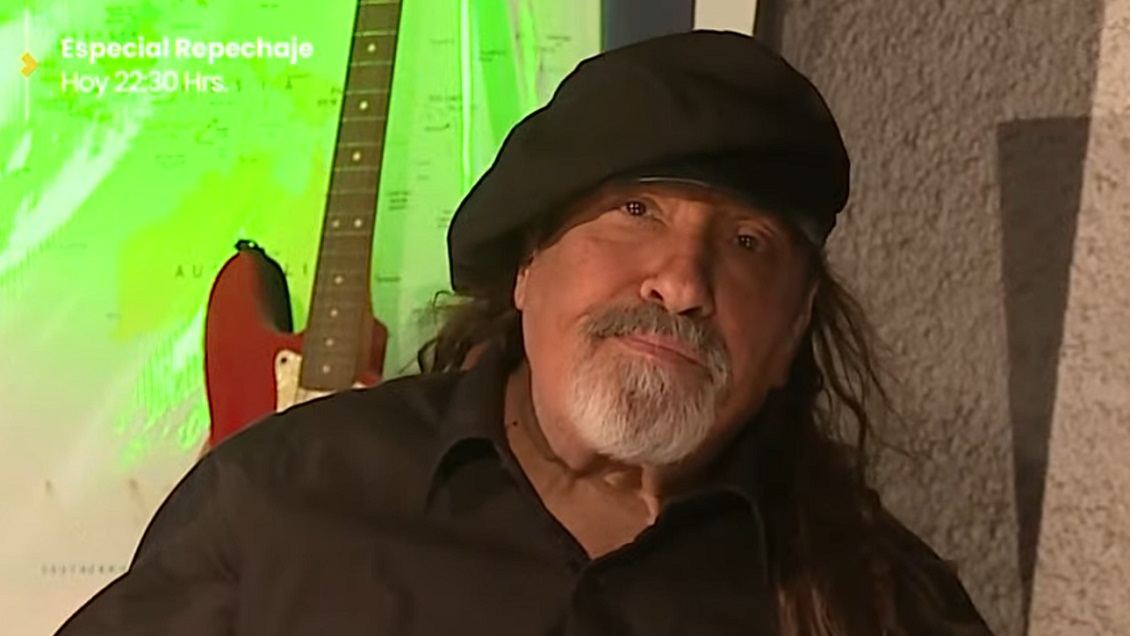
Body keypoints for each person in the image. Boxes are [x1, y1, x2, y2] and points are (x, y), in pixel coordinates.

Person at [55, 30, 993, 635]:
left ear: (791, 332)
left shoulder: (880, 603)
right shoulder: (281, 500)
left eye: (748, 243)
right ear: (527, 264)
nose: (680, 282)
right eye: (635, 211)